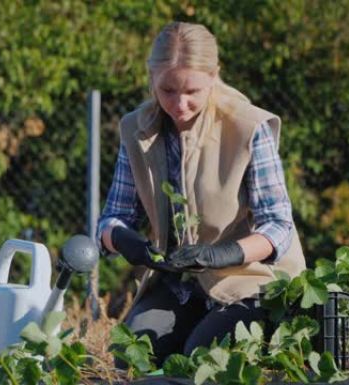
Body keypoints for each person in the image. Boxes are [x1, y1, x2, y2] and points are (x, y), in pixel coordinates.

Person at [96, 21, 306, 365]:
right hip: (178, 284)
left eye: (192, 91)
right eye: (168, 90)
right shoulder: (136, 130)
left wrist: (221, 254)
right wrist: (122, 239)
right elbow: (112, 218)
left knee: (203, 358)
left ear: (214, 76)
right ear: (152, 79)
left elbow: (278, 226)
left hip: (251, 282)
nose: (180, 104)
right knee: (133, 356)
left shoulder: (248, 127)